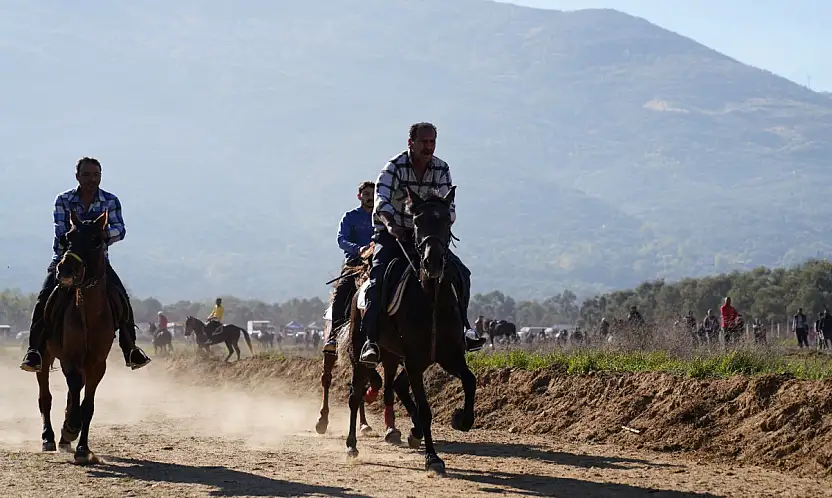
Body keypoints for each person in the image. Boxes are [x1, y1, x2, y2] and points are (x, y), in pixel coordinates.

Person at [359, 122, 486, 365]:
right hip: (393, 234)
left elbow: (450, 207)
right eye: (424, 142)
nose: (428, 147)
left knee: (461, 273)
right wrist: (393, 226)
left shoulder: (441, 168)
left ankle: (465, 330)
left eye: (432, 142)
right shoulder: (393, 168)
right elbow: (381, 202)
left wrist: (439, 225)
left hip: (426, 235)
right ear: (411, 143)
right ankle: (371, 340)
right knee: (378, 279)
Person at [20, 157, 151, 372]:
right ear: (77, 176)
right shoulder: (64, 200)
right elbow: (62, 232)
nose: (92, 179)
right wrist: (87, 236)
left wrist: (100, 236)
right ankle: (34, 351)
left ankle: (131, 349)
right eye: (87, 175)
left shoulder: (111, 201)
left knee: (122, 300)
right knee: (44, 299)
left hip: (98, 264)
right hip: (66, 261)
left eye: (96, 175)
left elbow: (120, 229)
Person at [322, 181, 375, 355]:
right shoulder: (350, 217)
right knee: (342, 293)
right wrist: (358, 249)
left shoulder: (381, 217)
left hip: (377, 262)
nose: (370, 197)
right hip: (354, 264)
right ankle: (334, 337)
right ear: (359, 196)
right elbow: (341, 240)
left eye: (372, 194)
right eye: (366, 194)